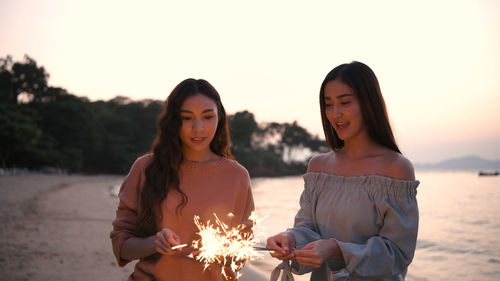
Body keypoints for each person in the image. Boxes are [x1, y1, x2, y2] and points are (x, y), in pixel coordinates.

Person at [266, 61, 419, 281]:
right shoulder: (318, 167)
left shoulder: (396, 169)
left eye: (345, 102)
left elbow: (397, 254)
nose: (335, 113)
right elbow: (308, 228)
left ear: (368, 103)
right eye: (328, 104)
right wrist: (290, 239)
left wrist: (337, 250)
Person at [110, 78, 255, 281]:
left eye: (207, 117)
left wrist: (221, 251)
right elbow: (121, 246)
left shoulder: (237, 176)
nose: (198, 127)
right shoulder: (146, 168)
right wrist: (155, 243)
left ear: (219, 118)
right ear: (173, 121)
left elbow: (243, 252)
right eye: (186, 118)